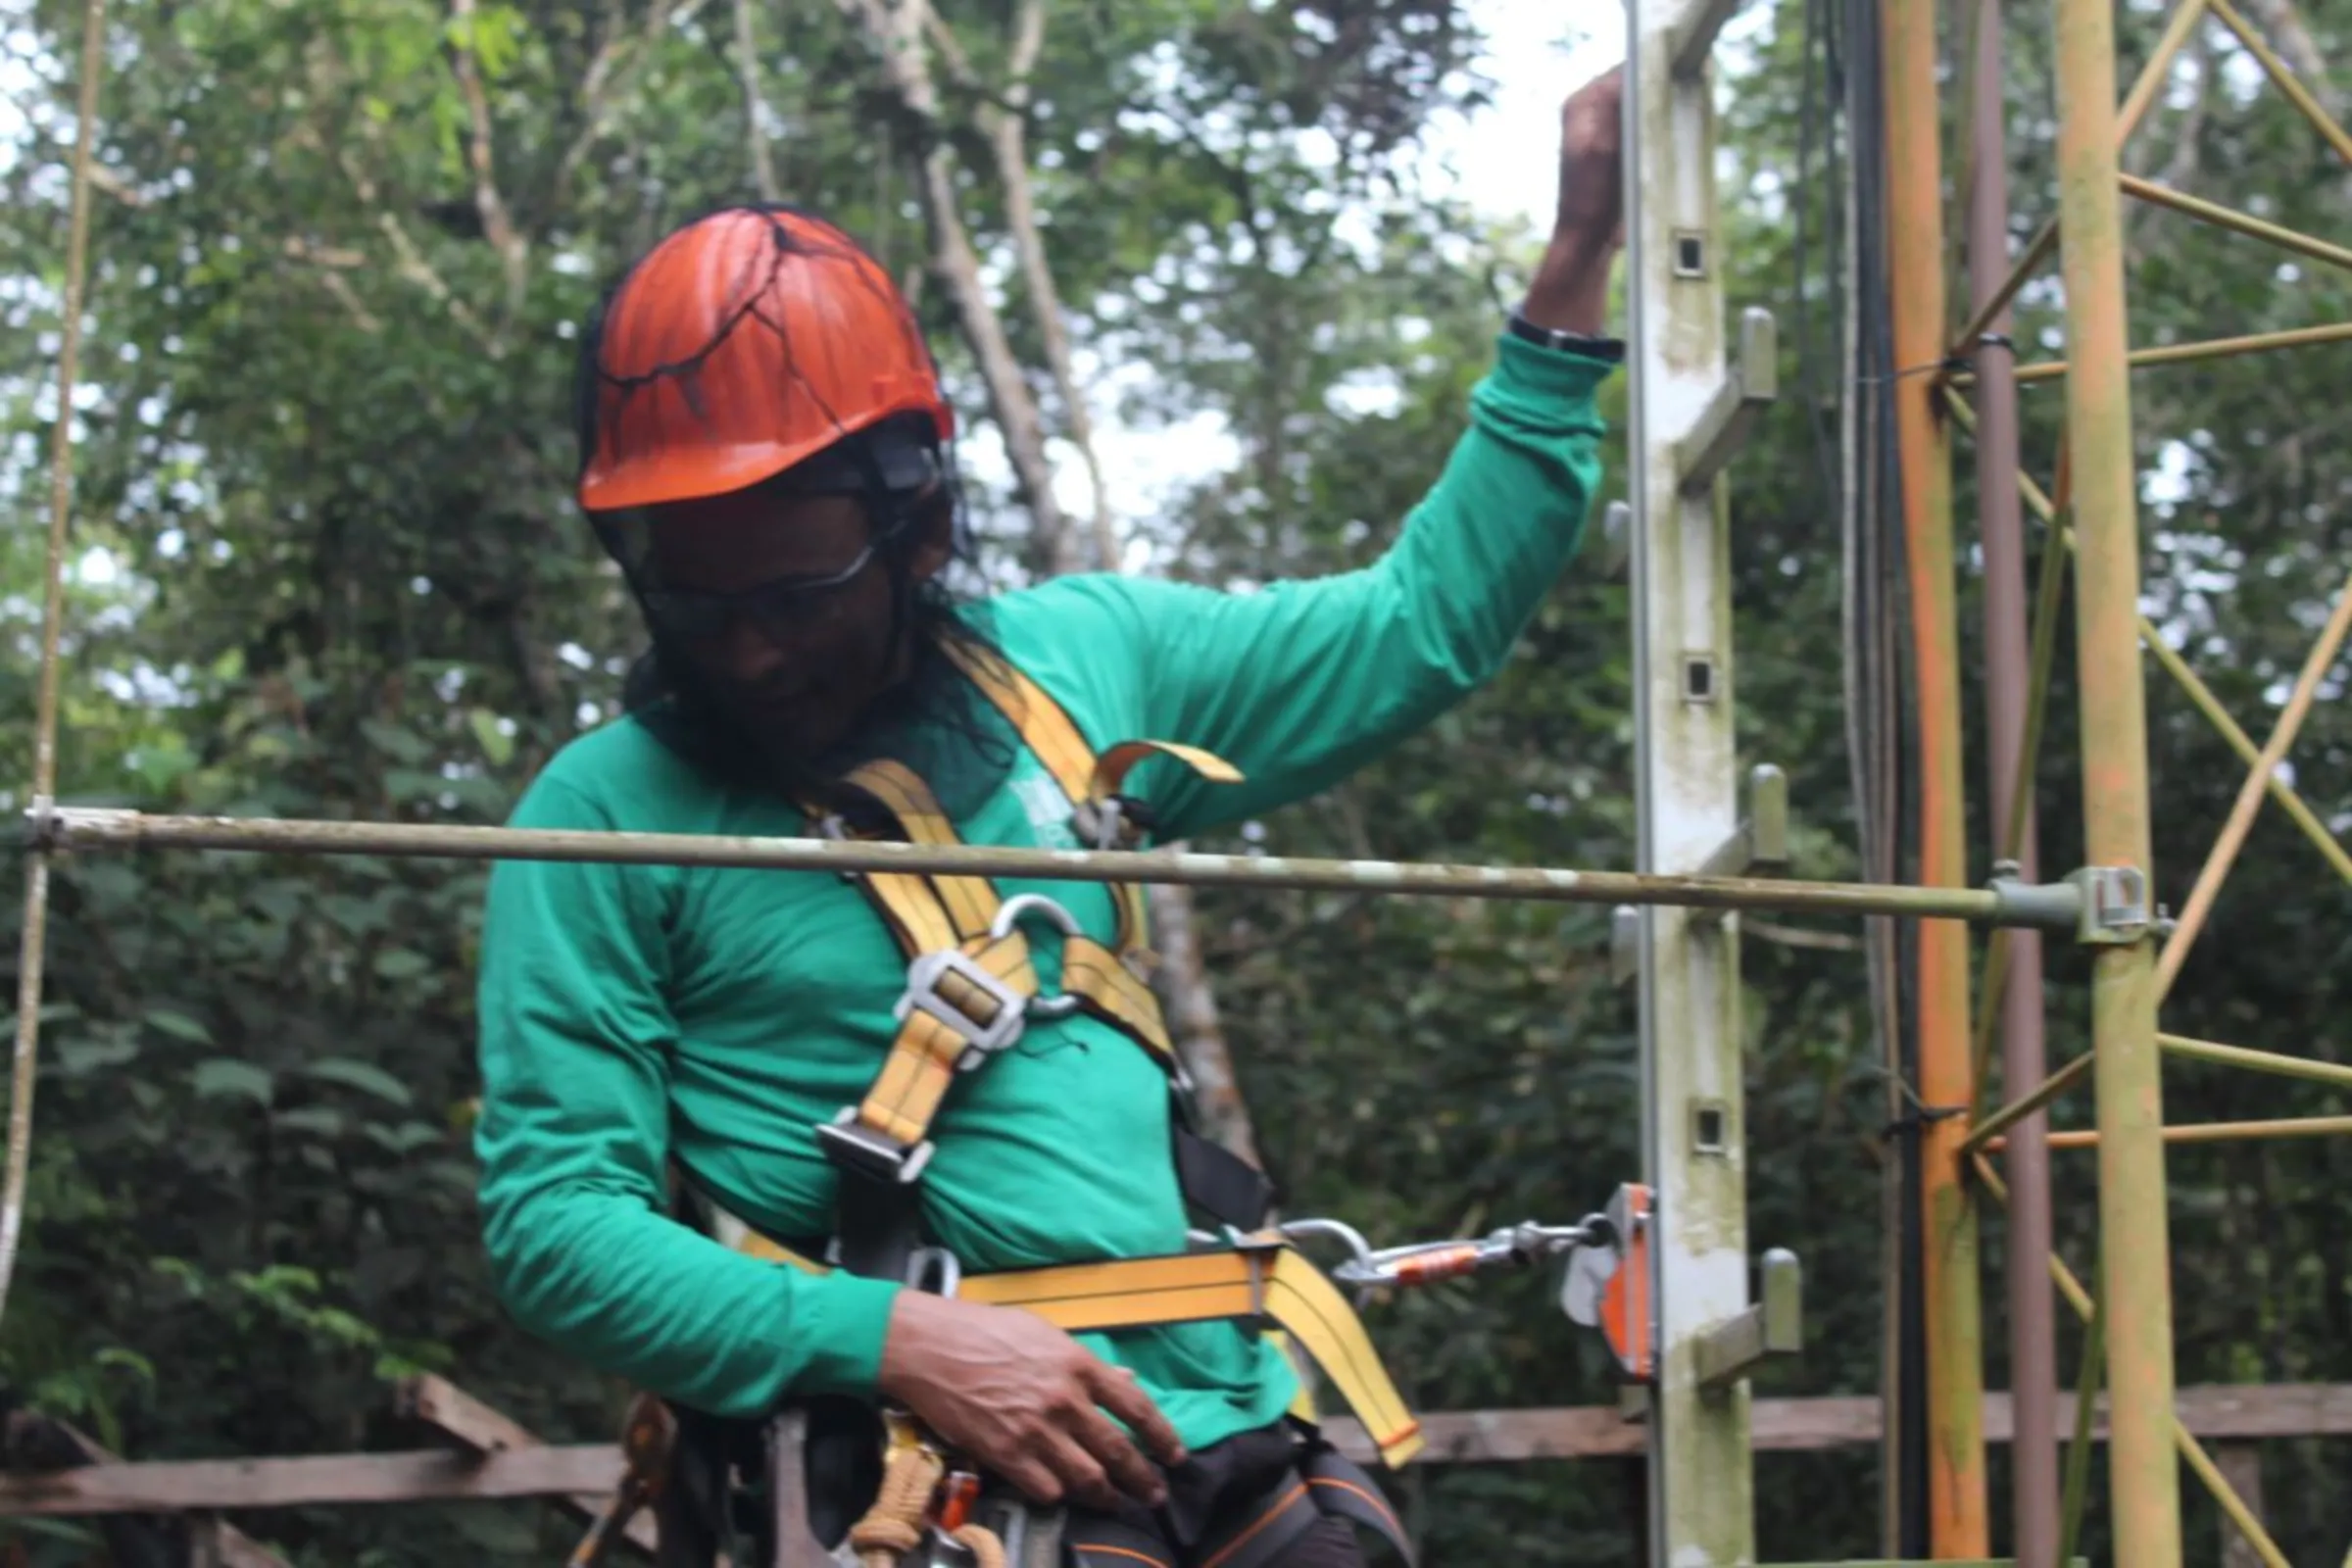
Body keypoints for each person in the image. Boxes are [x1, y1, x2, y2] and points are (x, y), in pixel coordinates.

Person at [474, 65, 1628, 1568]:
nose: (747, 647)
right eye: (692, 596)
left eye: (795, 592)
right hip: (917, 1469)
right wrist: (903, 1339)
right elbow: (560, 1228)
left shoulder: (1079, 670)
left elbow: (1420, 627)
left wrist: (1572, 267)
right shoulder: (602, 820)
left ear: (921, 526)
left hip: (1226, 1429)